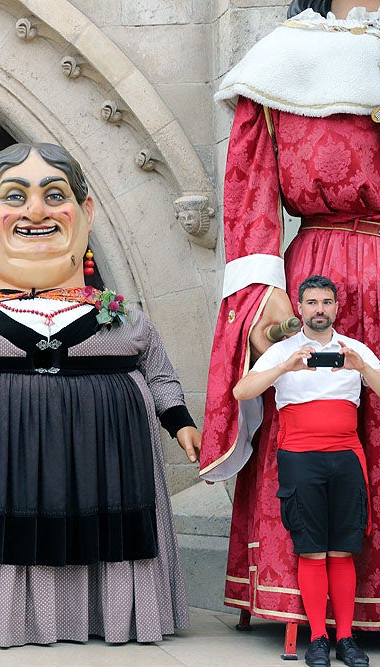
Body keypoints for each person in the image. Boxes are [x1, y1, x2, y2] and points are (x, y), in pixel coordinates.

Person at [0, 142, 200, 647]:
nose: (35, 211)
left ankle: (104, 614)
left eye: (55, 194)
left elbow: (159, 373)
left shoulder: (127, 320)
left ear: (86, 212)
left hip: (100, 459)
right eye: (16, 196)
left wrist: (180, 422)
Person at [200, 0, 380, 636]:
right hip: (325, 268)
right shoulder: (285, 62)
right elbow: (249, 199)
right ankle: (314, 610)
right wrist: (260, 292)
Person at [233, 275, 378, 667]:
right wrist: (285, 367)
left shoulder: (355, 349)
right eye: (312, 302)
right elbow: (241, 391)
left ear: (336, 307)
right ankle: (317, 638)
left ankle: (346, 639)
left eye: (326, 302)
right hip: (299, 459)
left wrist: (361, 365)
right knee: (312, 551)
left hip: (346, 458)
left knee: (343, 550)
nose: (319, 309)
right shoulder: (284, 351)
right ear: (300, 307)